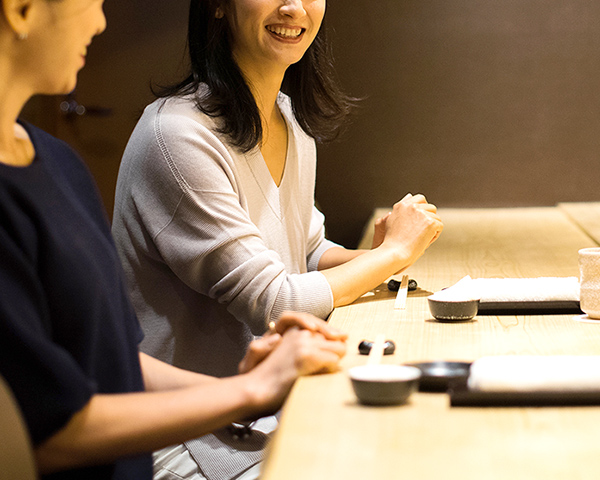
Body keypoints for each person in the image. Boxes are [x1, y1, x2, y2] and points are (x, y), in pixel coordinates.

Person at [0, 1, 348, 479]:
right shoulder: (173, 131)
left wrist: (244, 389)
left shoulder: (58, 164)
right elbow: (49, 429)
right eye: (91, 3)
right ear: (20, 11)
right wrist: (250, 391)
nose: (101, 23)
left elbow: (117, 362)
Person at [112, 0, 443, 478]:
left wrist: (373, 257)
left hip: (269, 407)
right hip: (189, 439)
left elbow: (305, 251)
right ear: (219, 6)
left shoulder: (287, 118)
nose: (294, 6)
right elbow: (274, 304)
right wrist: (391, 255)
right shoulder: (177, 135)